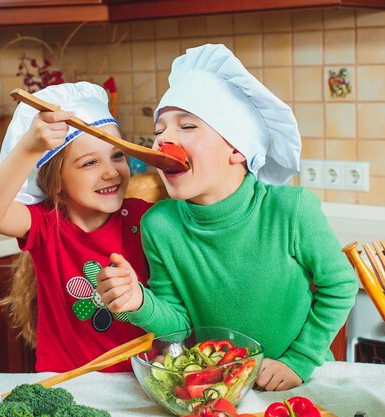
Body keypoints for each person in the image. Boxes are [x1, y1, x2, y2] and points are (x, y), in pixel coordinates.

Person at [96, 44, 358, 390]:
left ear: (237, 148)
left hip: (303, 384)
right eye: (159, 131)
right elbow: (180, 325)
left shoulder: (290, 209)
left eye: (187, 126)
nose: (164, 141)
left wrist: (300, 360)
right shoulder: (159, 225)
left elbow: (340, 285)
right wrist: (140, 302)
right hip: (220, 388)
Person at [0, 82, 152, 373]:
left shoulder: (145, 219)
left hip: (139, 383)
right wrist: (29, 149)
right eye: (90, 163)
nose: (111, 172)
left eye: (117, 155)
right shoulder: (48, 225)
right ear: (56, 182)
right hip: (68, 384)